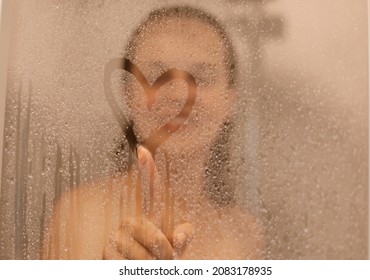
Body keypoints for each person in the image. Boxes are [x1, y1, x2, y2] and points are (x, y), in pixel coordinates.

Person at [42, 5, 263, 260]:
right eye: (157, 75)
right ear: (128, 94)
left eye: (202, 78)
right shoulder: (82, 215)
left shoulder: (245, 234)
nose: (179, 95)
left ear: (230, 102)